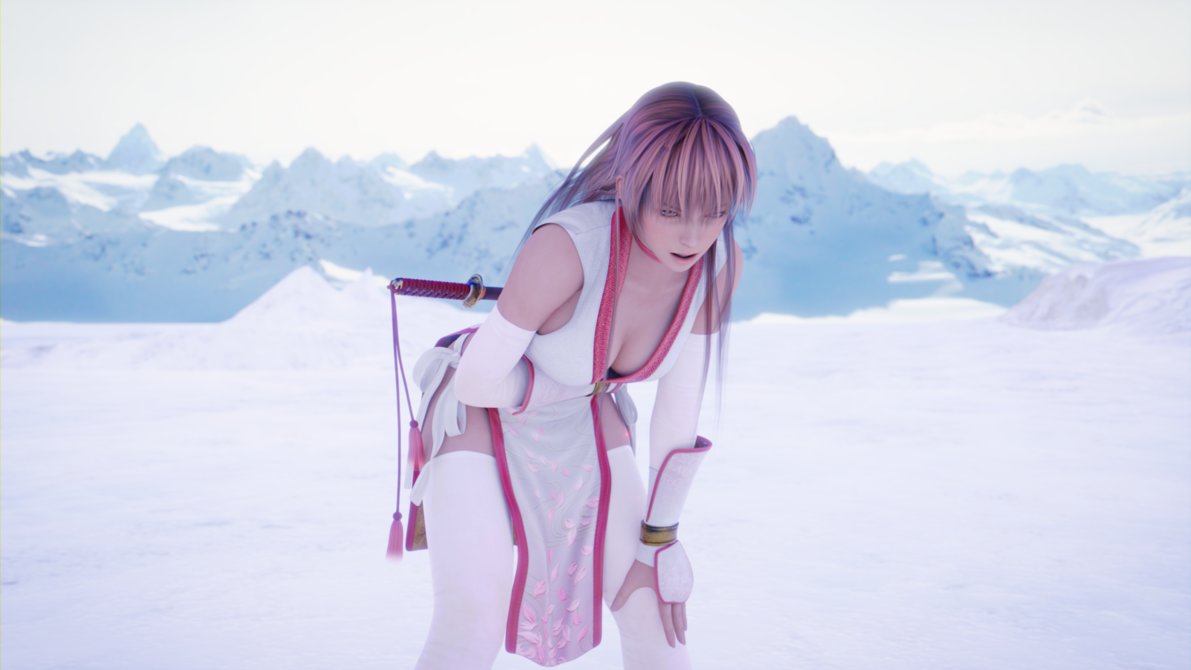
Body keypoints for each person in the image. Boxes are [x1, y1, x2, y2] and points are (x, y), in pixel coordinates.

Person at [404, 81, 757, 669]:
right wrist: (560, 388)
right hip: (480, 418)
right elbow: (477, 382)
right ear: (629, 184)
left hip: (585, 417)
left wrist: (661, 537)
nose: (694, 235)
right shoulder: (568, 247)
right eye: (670, 210)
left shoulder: (717, 266)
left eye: (715, 210)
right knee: (471, 620)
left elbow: (678, 411)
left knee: (654, 611)